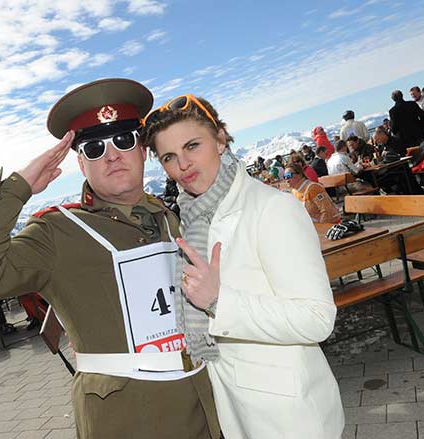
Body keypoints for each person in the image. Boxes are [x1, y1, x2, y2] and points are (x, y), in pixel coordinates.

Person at [0, 78, 220, 439]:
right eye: (93, 148)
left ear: (141, 150)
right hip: (129, 420)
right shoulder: (58, 232)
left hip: (202, 404)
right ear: (80, 164)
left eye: (123, 140)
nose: (111, 154)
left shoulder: (167, 217)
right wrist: (19, 186)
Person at [139, 93, 344, 439]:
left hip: (287, 419)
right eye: (169, 157)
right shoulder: (191, 217)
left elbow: (317, 319)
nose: (182, 165)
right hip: (234, 410)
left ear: (220, 140)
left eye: (192, 146)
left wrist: (220, 302)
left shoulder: (272, 210)